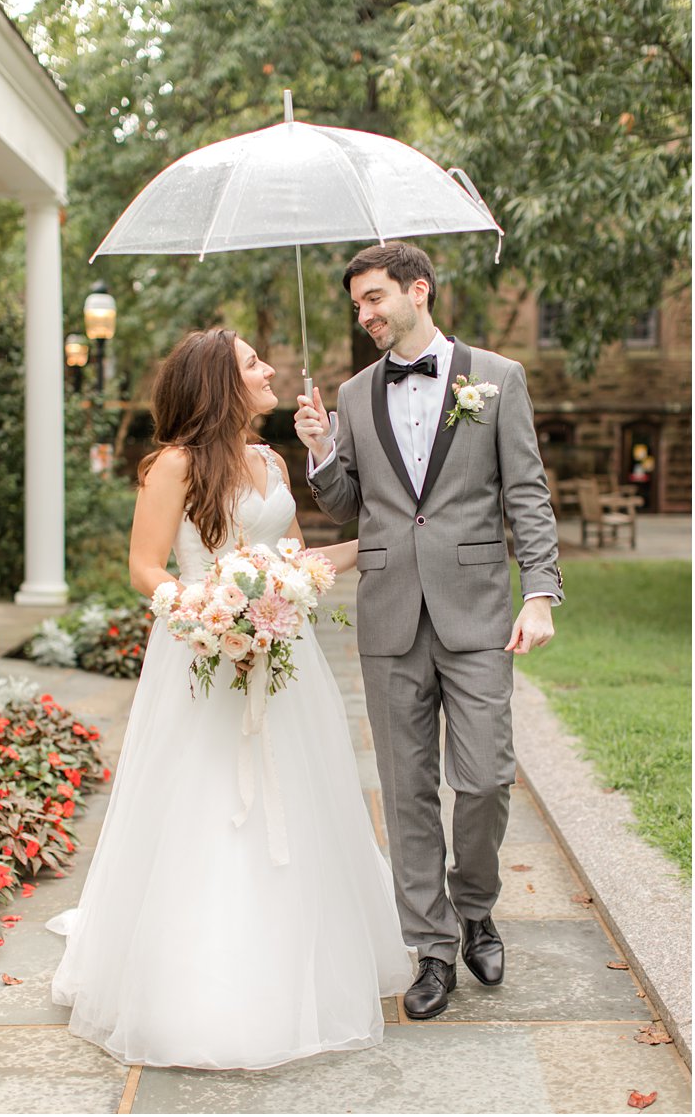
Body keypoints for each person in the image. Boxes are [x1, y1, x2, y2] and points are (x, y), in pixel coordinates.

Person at [49, 328, 412, 1070]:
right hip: (202, 655)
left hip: (284, 657)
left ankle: (298, 953)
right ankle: (199, 980)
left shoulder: (272, 459)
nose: (269, 368)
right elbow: (145, 567)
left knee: (300, 795)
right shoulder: (173, 465)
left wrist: (378, 540)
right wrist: (211, 609)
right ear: (220, 379)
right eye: (253, 362)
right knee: (208, 800)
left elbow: (293, 557)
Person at [294, 241, 561, 1020]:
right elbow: (349, 503)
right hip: (389, 613)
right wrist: (319, 449)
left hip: (478, 610)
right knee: (407, 788)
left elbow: (528, 494)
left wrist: (539, 592)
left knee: (484, 778)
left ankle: (475, 903)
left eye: (375, 298)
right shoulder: (350, 394)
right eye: (356, 305)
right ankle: (433, 947)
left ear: (419, 289)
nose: (366, 314)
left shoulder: (498, 379)